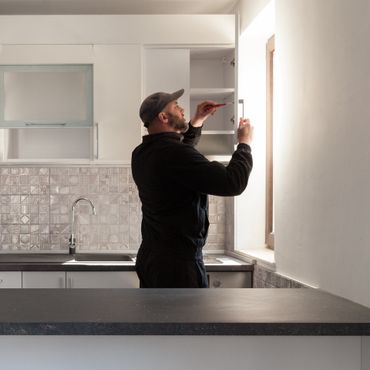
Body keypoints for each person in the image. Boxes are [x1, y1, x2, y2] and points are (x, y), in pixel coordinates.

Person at [132, 88, 253, 288]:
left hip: (152, 258)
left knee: (156, 318)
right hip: (178, 267)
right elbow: (233, 182)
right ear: (163, 116)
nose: (182, 110)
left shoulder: (141, 153)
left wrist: (197, 121)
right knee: (185, 319)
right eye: (176, 106)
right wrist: (244, 144)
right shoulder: (174, 154)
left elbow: (180, 153)